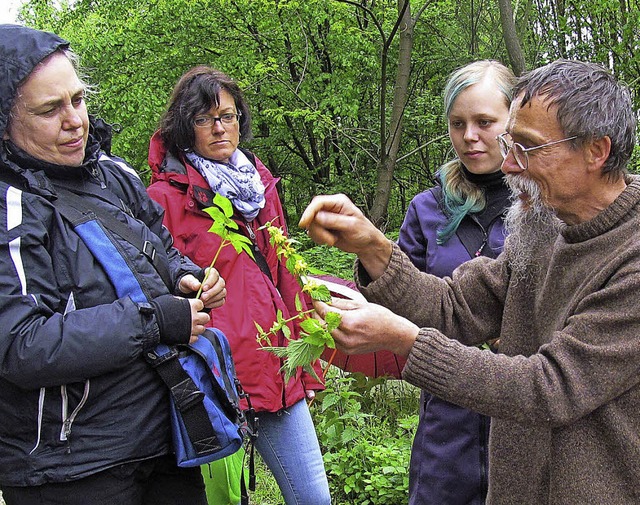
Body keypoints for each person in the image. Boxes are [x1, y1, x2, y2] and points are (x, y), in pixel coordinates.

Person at [300, 59, 639, 504]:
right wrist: (373, 247)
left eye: (529, 148)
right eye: (510, 144)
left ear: (596, 151)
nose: (510, 166)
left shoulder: (630, 258)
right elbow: (455, 308)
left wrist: (406, 341)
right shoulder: (545, 226)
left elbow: (549, 387)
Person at [0, 25, 227, 505]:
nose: (75, 121)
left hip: (164, 436)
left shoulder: (113, 176)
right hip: (69, 467)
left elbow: (161, 248)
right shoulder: (11, 207)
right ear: (5, 121)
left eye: (78, 100)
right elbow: (19, 345)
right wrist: (156, 321)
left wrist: (184, 277)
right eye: (49, 109)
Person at [146, 66, 331, 505]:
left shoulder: (258, 184)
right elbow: (158, 288)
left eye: (228, 116)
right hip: (215, 374)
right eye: (204, 119)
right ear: (183, 126)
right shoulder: (164, 199)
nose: (219, 128)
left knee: (313, 498)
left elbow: (283, 269)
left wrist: (305, 338)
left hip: (275, 363)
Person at [398, 60, 514, 505]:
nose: (469, 136)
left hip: (520, 412)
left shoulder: (542, 206)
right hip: (444, 422)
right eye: (458, 123)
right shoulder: (427, 210)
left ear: (513, 122)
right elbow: (400, 302)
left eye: (485, 122)